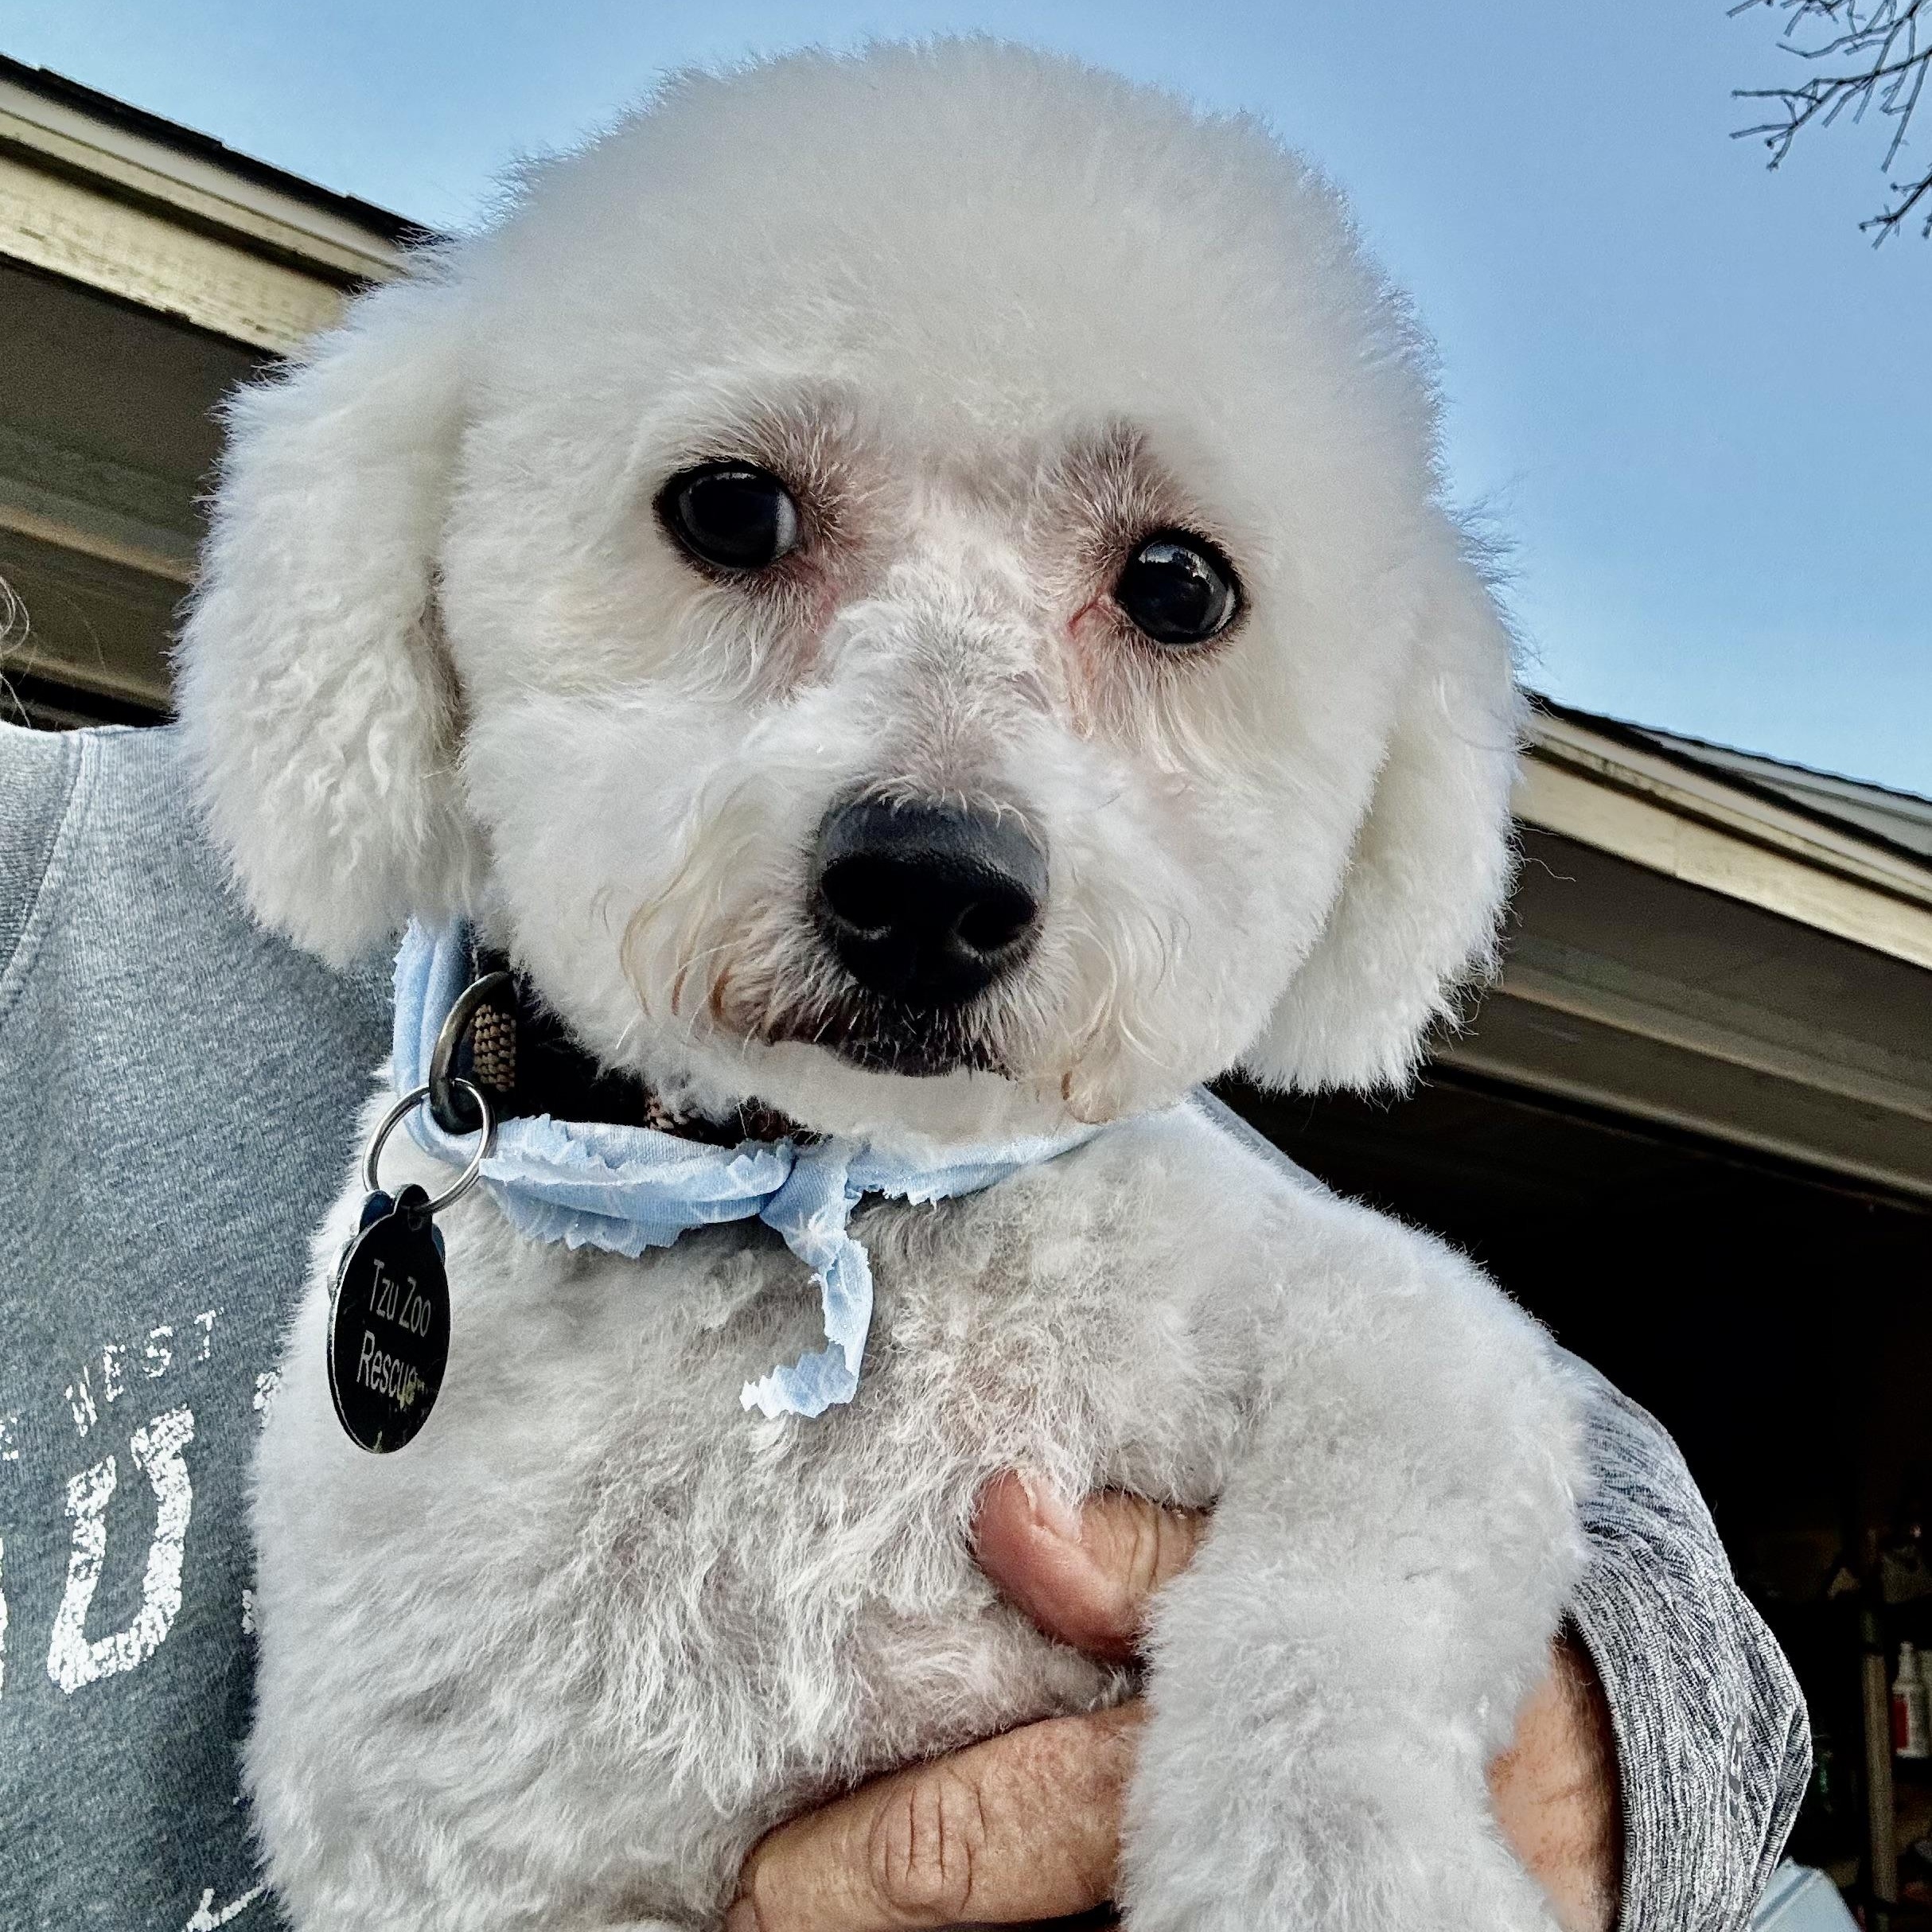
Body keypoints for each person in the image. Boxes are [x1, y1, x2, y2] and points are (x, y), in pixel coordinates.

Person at [0, 719, 1809, 1930]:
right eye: (733, 518)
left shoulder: (993, 1075)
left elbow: (1664, 1596)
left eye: (1162, 599)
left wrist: (1456, 1739)